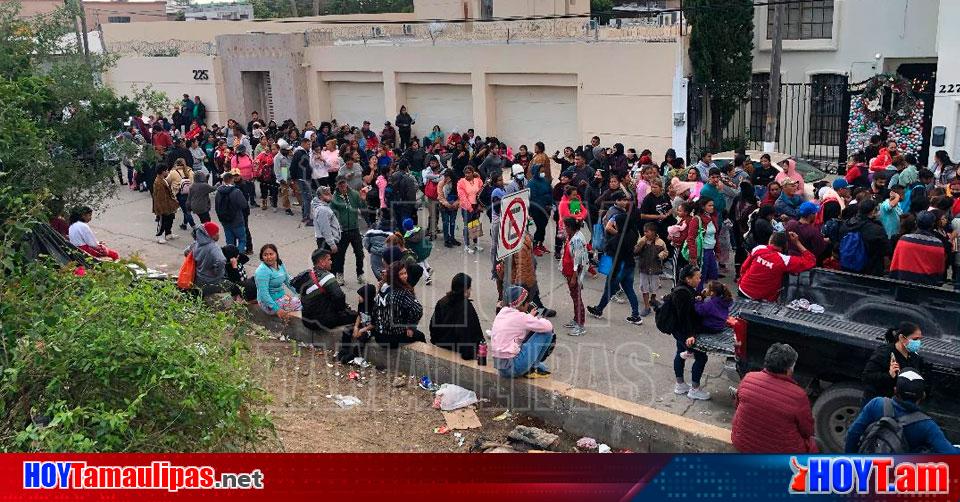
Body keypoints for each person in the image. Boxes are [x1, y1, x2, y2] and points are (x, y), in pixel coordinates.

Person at [731, 343, 817, 453]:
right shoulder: (798, 395)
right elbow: (807, 430)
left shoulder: (748, 378)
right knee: (814, 444)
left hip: (741, 443)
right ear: (789, 368)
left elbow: (737, 406)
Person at [845, 369, 957, 454]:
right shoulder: (927, 425)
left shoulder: (876, 404)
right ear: (922, 396)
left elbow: (853, 433)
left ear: (895, 390)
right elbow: (949, 453)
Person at [587, 192, 643, 325]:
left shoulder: (617, 239)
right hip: (629, 265)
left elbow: (614, 256)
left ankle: (599, 309)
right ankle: (636, 315)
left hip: (619, 267)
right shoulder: (633, 233)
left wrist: (612, 275)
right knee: (629, 289)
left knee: (610, 288)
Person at [490, 285, 556, 379]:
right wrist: (534, 319)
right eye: (527, 303)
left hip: (501, 367)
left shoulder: (503, 312)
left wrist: (529, 318)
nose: (528, 305)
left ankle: (532, 365)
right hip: (513, 368)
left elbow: (519, 327)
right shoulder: (521, 318)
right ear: (521, 305)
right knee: (546, 333)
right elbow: (548, 327)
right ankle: (534, 367)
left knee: (527, 334)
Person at [668, 265, 711, 400]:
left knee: (680, 354)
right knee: (701, 357)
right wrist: (690, 335)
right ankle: (694, 389)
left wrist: (699, 297)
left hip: (680, 331)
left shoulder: (685, 290)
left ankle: (680, 384)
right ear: (688, 279)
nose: (700, 280)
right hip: (684, 332)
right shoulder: (682, 293)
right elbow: (684, 317)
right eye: (697, 277)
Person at [292, 248, 358, 333]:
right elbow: (339, 297)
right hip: (323, 322)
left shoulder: (306, 275)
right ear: (322, 262)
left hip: (307, 321)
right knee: (357, 317)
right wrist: (343, 311)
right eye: (329, 259)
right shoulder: (326, 276)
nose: (331, 262)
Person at [738, 231, 816, 301]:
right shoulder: (785, 260)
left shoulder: (758, 249)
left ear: (770, 241)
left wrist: (742, 283)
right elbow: (811, 260)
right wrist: (797, 242)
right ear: (785, 246)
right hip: (762, 299)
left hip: (743, 290)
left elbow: (744, 268)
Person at [861, 322, 925, 406]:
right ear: (902, 338)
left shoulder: (915, 357)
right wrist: (889, 376)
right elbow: (867, 377)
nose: (918, 342)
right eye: (915, 339)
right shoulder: (884, 353)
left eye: (920, 339)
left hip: (899, 405)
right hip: (878, 403)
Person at [429, 273, 486, 360]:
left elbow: (433, 326)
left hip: (441, 344)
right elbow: (469, 333)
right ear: (465, 290)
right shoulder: (466, 307)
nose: (471, 290)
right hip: (457, 350)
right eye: (469, 287)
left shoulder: (442, 301)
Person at [372, 261, 426, 348]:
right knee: (420, 336)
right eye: (401, 274)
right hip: (392, 338)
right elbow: (417, 310)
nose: (405, 276)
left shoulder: (383, 288)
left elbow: (374, 311)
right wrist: (411, 327)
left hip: (379, 335)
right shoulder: (402, 293)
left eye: (405, 273)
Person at [889, 210, 945, 285]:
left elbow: (895, 263)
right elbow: (939, 269)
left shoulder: (904, 239)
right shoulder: (938, 244)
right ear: (932, 224)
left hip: (903, 282)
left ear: (916, 223)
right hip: (927, 284)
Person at [186, 222, 240, 298]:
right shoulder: (213, 247)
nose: (218, 234)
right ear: (210, 235)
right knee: (237, 288)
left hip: (198, 279)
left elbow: (186, 252)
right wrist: (218, 273)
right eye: (216, 233)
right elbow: (221, 260)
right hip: (211, 282)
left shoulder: (196, 244)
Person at [838, 199, 889, 276]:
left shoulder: (846, 225)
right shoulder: (877, 230)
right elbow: (886, 250)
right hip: (870, 273)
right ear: (872, 211)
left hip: (846, 271)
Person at [560, 217, 590, 336]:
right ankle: (576, 320)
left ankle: (580, 325)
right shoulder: (572, 236)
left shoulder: (577, 240)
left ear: (570, 227)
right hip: (569, 273)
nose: (564, 228)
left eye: (565, 226)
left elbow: (578, 261)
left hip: (574, 276)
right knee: (574, 297)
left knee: (577, 300)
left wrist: (574, 277)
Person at [330, 179, 364, 285]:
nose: (343, 186)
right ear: (337, 185)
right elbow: (331, 214)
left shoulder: (354, 194)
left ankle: (360, 274)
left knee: (359, 253)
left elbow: (363, 207)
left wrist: (363, 200)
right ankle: (339, 274)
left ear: (346, 183)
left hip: (354, 229)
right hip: (342, 231)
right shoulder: (334, 198)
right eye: (340, 184)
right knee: (340, 255)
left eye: (344, 183)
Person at [254, 244, 300, 319]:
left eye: (271, 254)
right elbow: (263, 294)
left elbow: (288, 280)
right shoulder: (262, 271)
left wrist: (299, 292)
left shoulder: (280, 264)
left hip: (281, 297)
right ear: (262, 257)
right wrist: (277, 309)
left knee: (305, 299)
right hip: (268, 304)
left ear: (276, 254)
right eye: (265, 255)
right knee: (302, 303)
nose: (269, 257)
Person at [685, 197, 720, 288]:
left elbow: (716, 236)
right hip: (702, 252)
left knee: (713, 275)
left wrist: (717, 250)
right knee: (700, 278)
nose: (712, 207)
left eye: (713, 205)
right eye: (709, 205)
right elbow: (691, 238)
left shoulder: (713, 217)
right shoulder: (697, 219)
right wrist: (693, 256)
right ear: (703, 207)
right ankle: (697, 298)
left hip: (711, 251)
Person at [635, 222, 668, 317]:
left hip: (655, 268)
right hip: (644, 268)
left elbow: (666, 252)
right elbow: (636, 252)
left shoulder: (660, 242)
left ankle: (653, 299)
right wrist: (640, 245)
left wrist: (662, 255)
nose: (645, 234)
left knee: (654, 287)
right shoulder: (642, 240)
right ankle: (647, 307)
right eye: (644, 231)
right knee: (644, 287)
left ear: (653, 232)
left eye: (647, 231)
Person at [214, 172, 250, 253]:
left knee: (229, 242)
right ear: (232, 179)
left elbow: (216, 207)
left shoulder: (218, 192)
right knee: (242, 240)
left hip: (224, 220)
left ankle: (230, 258)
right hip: (237, 220)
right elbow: (244, 204)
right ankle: (237, 257)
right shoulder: (236, 191)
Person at [457, 166, 483, 253]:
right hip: (466, 207)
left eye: (469, 172)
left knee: (475, 225)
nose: (467, 174)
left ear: (472, 172)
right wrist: (470, 208)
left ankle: (475, 244)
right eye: (466, 173)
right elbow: (463, 197)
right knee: (467, 226)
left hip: (476, 206)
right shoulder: (461, 183)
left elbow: (481, 193)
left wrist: (479, 205)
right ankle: (466, 245)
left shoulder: (478, 181)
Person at [528, 164, 553, 256]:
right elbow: (534, 198)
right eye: (540, 171)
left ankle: (541, 243)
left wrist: (551, 204)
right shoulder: (531, 183)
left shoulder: (545, 181)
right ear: (535, 172)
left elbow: (550, 192)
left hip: (547, 208)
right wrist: (544, 204)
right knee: (540, 227)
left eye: (543, 171)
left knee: (544, 226)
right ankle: (534, 246)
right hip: (537, 209)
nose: (542, 173)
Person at [152, 165, 179, 244]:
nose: (167, 172)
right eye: (166, 170)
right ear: (163, 172)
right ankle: (159, 235)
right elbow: (160, 198)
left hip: (168, 204)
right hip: (163, 206)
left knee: (170, 219)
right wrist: (162, 209)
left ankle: (168, 233)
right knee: (162, 221)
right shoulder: (158, 182)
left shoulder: (163, 180)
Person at [167, 159, 195, 232]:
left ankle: (194, 227)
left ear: (176, 163)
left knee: (186, 211)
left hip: (179, 193)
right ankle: (184, 224)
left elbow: (167, 181)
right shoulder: (190, 171)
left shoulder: (173, 172)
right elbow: (193, 181)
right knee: (186, 210)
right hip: (189, 193)